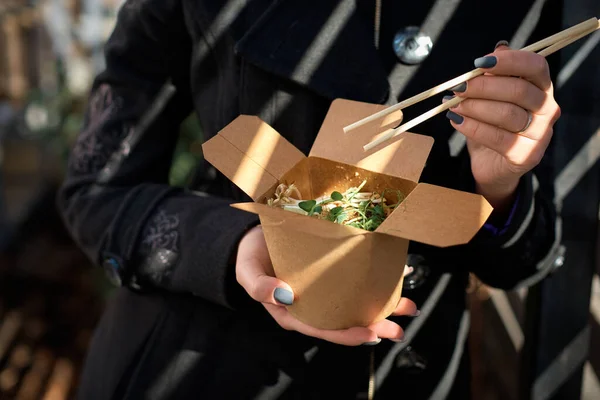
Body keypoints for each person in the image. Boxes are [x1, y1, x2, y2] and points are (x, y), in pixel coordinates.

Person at [57, 0, 563, 398]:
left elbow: (532, 257)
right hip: (209, 362)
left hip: (416, 372)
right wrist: (231, 246)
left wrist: (500, 186)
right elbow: (95, 191)